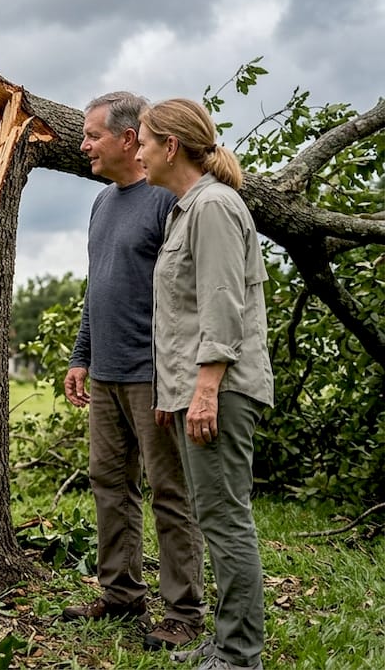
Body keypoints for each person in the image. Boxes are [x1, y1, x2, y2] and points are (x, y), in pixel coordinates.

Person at [61, 92, 206, 650]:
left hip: (156, 374)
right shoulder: (102, 202)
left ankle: (183, 613)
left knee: (169, 492)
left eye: (92, 135)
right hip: (107, 375)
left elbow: (184, 290)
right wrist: (82, 356)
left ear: (129, 139)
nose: (84, 146)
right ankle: (120, 593)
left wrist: (187, 375)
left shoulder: (166, 200)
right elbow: (98, 288)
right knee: (108, 485)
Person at [136, 99, 273, 670]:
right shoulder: (186, 209)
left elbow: (222, 307)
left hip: (223, 388)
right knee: (213, 516)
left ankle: (241, 655)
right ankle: (224, 640)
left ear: (170, 147)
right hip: (195, 389)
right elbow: (181, 317)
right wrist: (175, 393)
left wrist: (206, 389)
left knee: (225, 518)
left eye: (143, 140)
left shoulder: (214, 206)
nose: (137, 151)